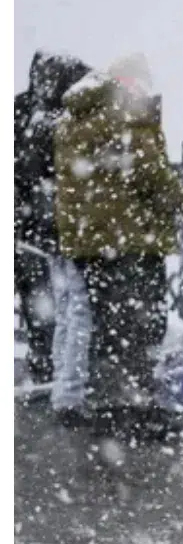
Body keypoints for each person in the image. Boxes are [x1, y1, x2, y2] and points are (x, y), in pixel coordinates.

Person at [53, 53, 183, 439]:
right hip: (130, 242)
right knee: (139, 326)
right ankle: (135, 413)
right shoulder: (126, 112)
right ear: (127, 81)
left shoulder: (74, 116)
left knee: (107, 328)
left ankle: (107, 409)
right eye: (142, 82)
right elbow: (153, 175)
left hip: (91, 243)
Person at [15, 51, 92, 387]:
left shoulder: (25, 112)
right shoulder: (61, 118)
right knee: (63, 304)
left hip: (31, 226)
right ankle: (59, 373)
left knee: (44, 302)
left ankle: (48, 367)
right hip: (54, 226)